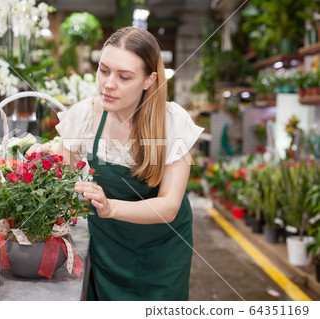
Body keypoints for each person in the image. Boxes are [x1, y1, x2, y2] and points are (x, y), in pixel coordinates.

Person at [27, 26, 204, 300]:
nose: (108, 84)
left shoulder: (172, 123)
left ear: (148, 80)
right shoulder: (86, 115)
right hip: (109, 247)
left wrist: (109, 207)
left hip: (162, 253)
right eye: (104, 70)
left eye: (124, 77)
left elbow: (169, 206)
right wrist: (46, 159)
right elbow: (65, 169)